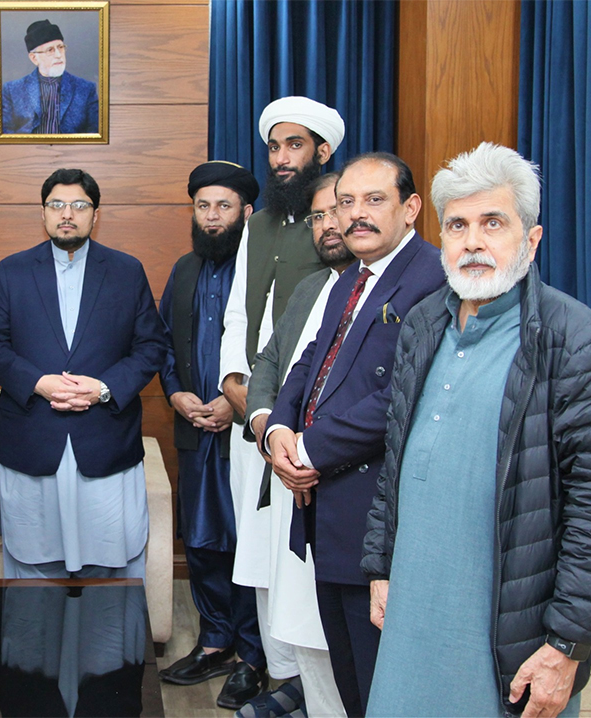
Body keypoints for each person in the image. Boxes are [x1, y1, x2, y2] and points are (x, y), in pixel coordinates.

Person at [362, 142, 591, 718]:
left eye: (494, 222)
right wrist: (382, 567)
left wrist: (567, 645)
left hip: (513, 638)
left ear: (531, 240)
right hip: (412, 614)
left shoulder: (573, 341)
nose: (473, 241)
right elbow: (396, 463)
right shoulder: (422, 323)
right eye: (458, 225)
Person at [264, 153, 446, 717]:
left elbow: (402, 395)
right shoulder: (351, 280)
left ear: (411, 207)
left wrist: (311, 449)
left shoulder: (432, 277)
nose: (357, 215)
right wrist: (277, 431)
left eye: (374, 201)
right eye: (347, 203)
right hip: (325, 512)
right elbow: (309, 363)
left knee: (381, 692)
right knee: (348, 686)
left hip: (376, 523)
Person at [0, 168, 167, 579]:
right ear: (43, 213)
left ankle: (106, 645)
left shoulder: (126, 271)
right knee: (32, 563)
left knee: (111, 561)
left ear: (95, 215)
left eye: (79, 205)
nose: (67, 214)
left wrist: (104, 387)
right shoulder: (13, 270)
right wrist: (38, 383)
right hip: (31, 440)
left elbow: (151, 346)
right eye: (56, 205)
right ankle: (36, 645)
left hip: (104, 441)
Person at [217, 96, 345, 706]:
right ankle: (280, 672)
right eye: (275, 146)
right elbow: (239, 308)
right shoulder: (259, 223)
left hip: (304, 422)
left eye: (295, 145)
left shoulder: (338, 228)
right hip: (254, 415)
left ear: (323, 152)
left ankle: (309, 681)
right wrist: (233, 381)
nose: (283, 158)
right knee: (261, 548)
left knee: (297, 555)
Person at [242, 173, 353, 718]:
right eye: (317, 216)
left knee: (336, 635)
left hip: (337, 485)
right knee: (303, 629)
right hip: (286, 474)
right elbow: (269, 360)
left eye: (338, 210)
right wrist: (266, 424)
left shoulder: (383, 289)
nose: (328, 224)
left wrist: (306, 450)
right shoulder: (313, 287)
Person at [156, 161, 267, 709]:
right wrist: (177, 393)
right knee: (201, 542)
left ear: (246, 212)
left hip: (247, 433)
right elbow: (163, 339)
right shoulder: (184, 269)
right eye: (203, 206)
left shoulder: (265, 269)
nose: (212, 216)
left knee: (246, 543)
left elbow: (280, 348)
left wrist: (234, 402)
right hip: (193, 430)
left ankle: (252, 654)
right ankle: (215, 640)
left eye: (223, 206)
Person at [1, 19, 99, 134]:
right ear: (34, 58)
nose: (58, 55)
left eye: (61, 47)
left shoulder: (86, 89)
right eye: (50, 50)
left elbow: (94, 134)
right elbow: (5, 136)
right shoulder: (12, 90)